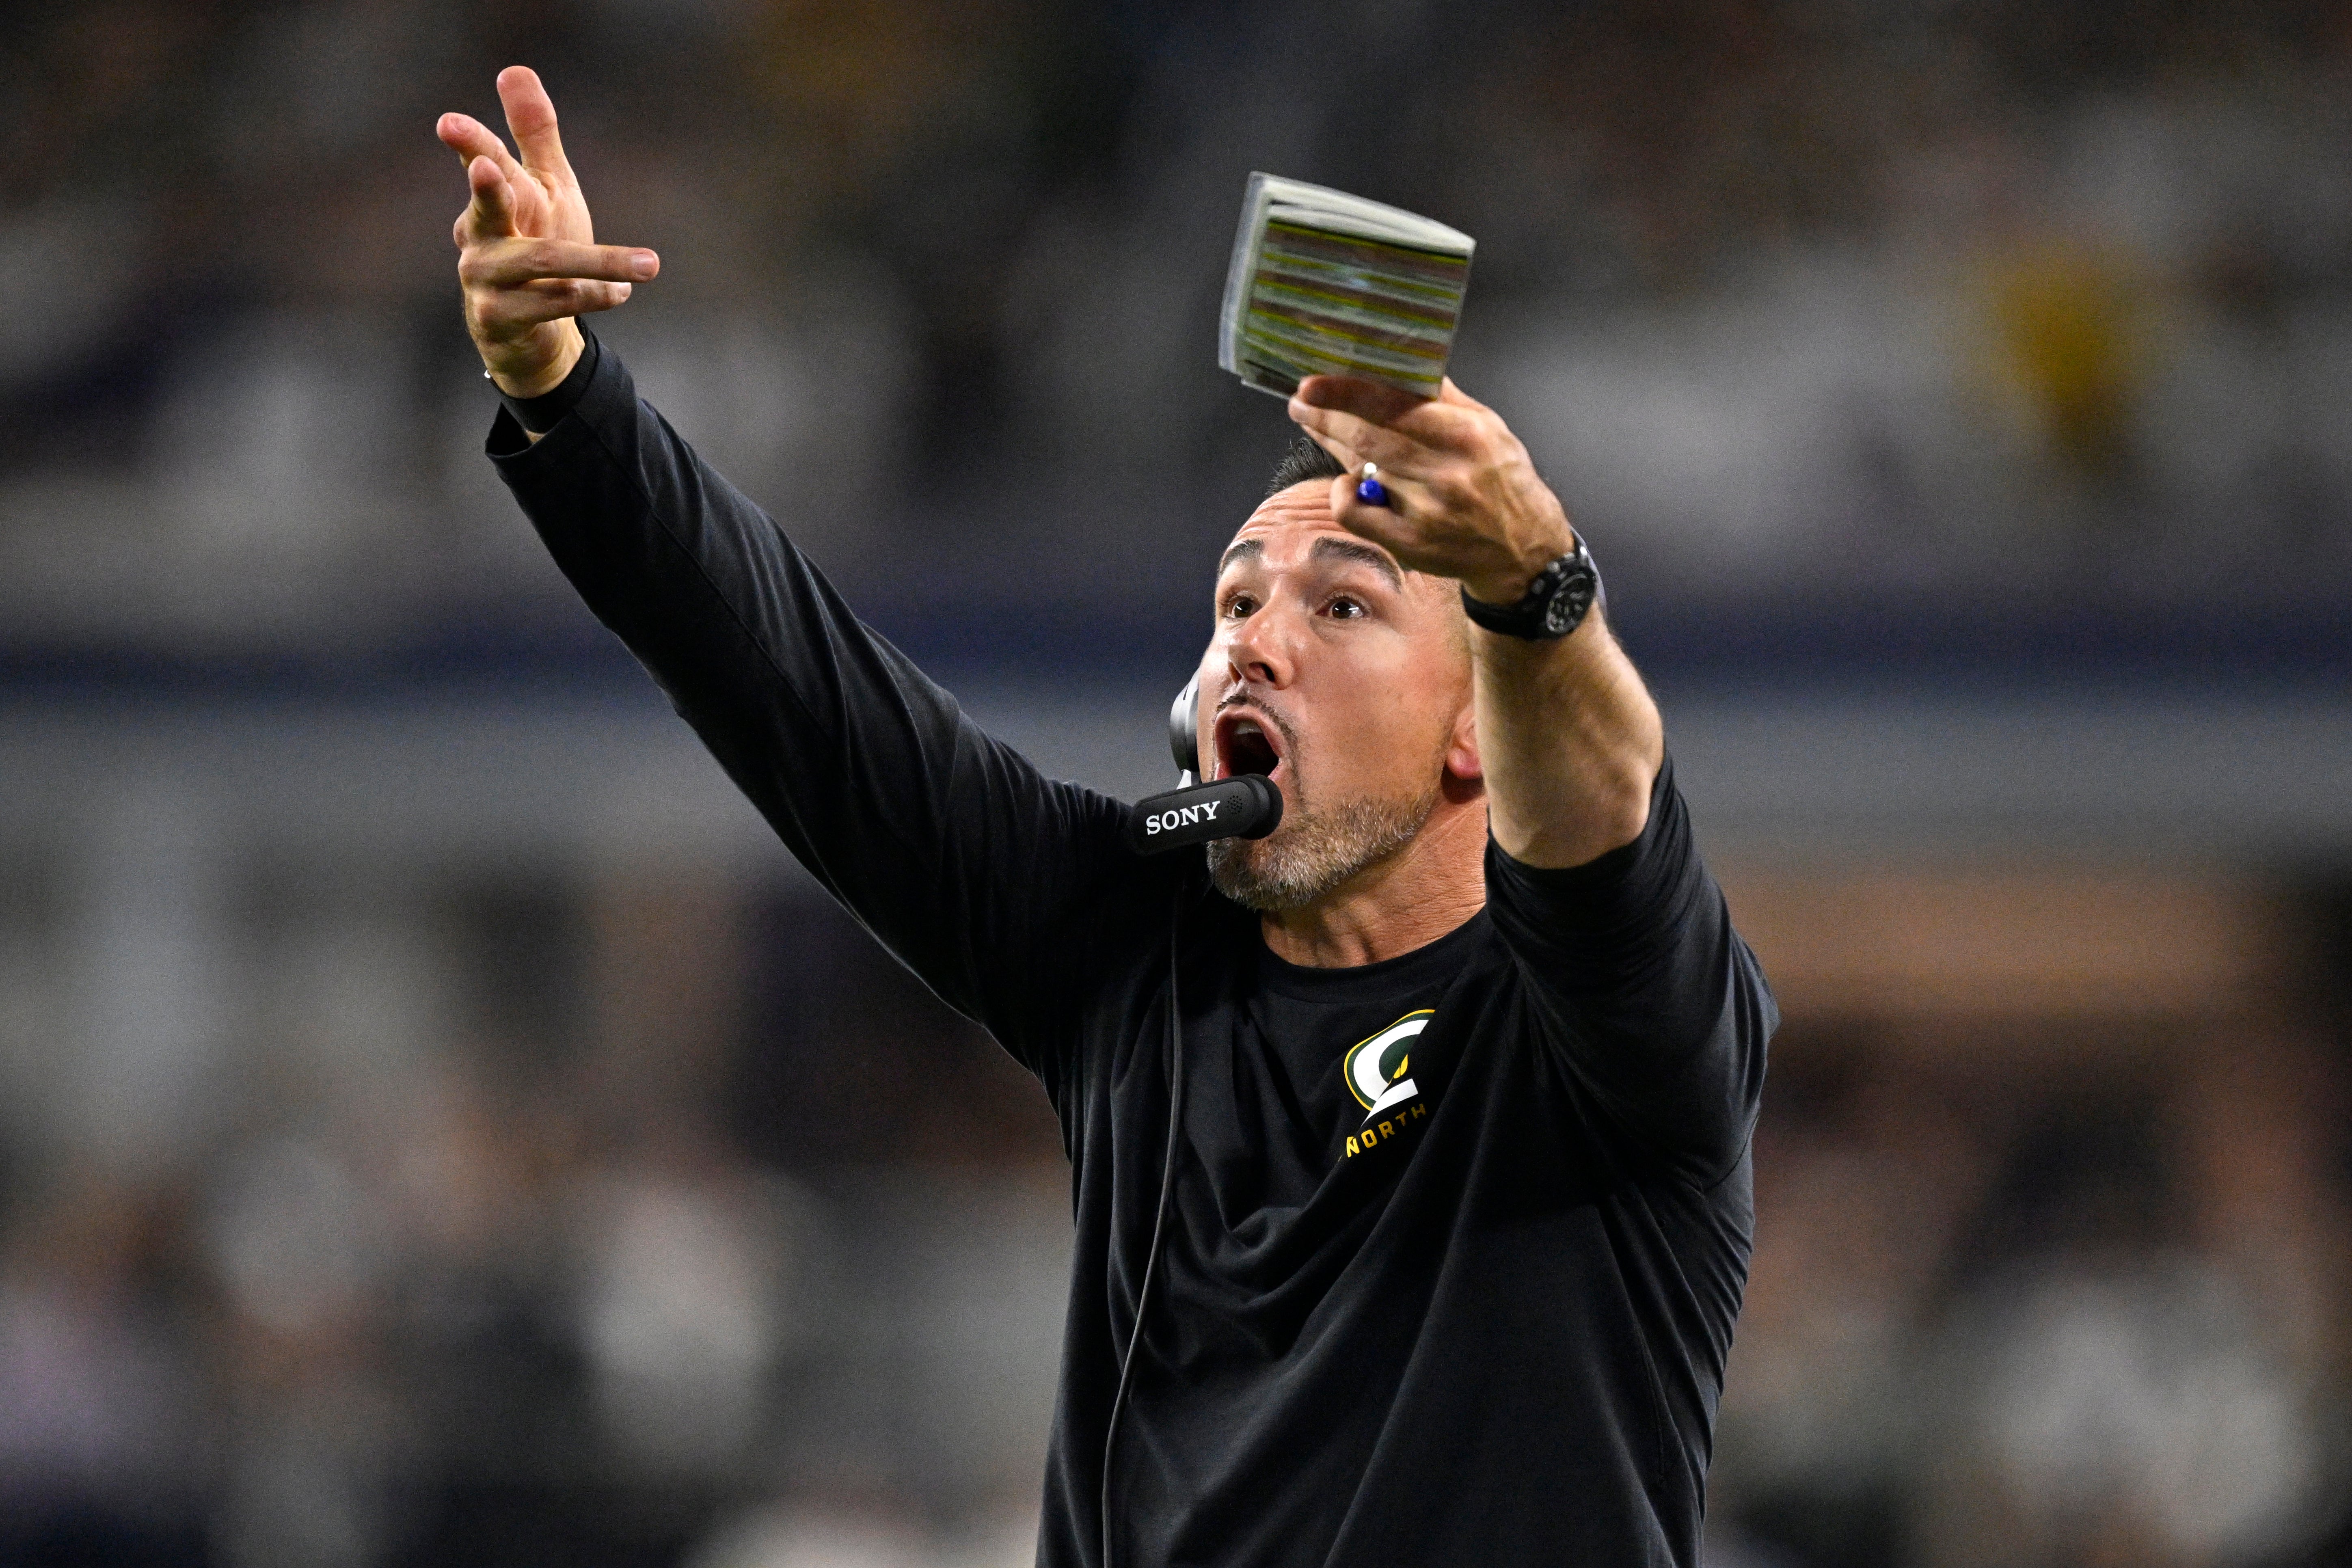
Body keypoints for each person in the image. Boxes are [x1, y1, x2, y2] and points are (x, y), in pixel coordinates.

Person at [437, 66, 1775, 1568]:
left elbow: (1602, 821)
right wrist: (561, 391)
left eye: (1341, 606)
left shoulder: (1604, 1030)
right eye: (1235, 605)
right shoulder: (1126, 946)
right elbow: (793, 688)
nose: (1254, 645)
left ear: (1482, 735)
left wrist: (1531, 584)